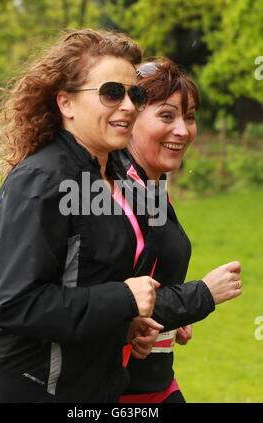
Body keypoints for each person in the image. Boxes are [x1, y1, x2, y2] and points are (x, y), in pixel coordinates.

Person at [0, 29, 163, 403]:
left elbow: (82, 280)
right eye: (111, 93)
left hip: (85, 388)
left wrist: (124, 325)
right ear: (66, 104)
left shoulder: (116, 177)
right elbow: (14, 303)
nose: (128, 106)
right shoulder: (41, 180)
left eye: (134, 94)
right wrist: (121, 300)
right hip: (16, 389)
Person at [108, 58, 243, 403]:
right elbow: (105, 302)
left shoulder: (152, 185)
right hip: (120, 393)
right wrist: (202, 295)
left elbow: (146, 287)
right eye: (167, 115)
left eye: (190, 117)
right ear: (131, 117)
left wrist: (175, 314)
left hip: (156, 383)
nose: (183, 130)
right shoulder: (116, 192)